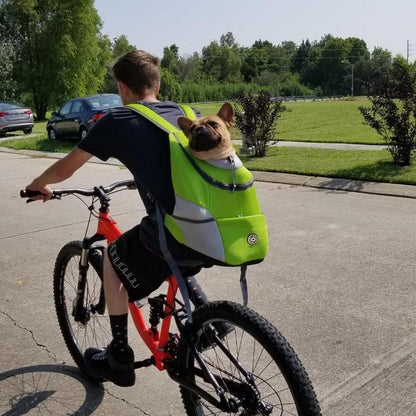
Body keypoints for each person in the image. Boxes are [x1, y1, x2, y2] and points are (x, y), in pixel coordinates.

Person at [25, 50, 212, 387]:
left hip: (173, 232)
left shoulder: (119, 120)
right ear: (157, 83)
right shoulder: (187, 113)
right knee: (172, 246)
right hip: (210, 229)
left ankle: (119, 357)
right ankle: (209, 319)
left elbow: (67, 167)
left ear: (123, 87)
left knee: (113, 258)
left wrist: (39, 186)